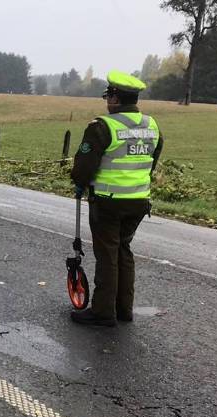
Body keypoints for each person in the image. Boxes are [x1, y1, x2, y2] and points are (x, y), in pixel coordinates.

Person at [70, 70, 163, 327]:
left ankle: (103, 312)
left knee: (107, 254)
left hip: (108, 201)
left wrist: (79, 182)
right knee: (123, 250)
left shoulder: (103, 127)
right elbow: (151, 161)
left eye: (108, 94)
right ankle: (124, 309)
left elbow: (83, 169)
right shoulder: (151, 125)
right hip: (139, 201)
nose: (106, 100)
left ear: (115, 98)